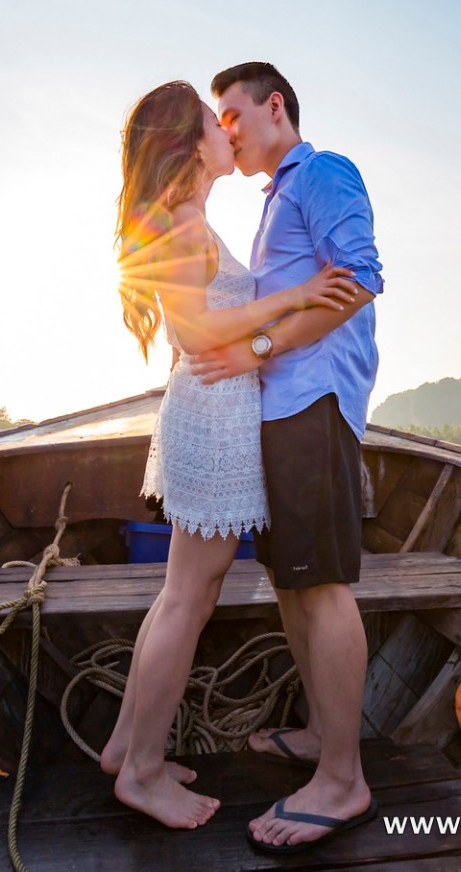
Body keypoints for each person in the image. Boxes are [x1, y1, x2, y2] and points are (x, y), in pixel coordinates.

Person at [104, 80, 360, 830]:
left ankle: (125, 746)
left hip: (212, 412)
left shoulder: (191, 218)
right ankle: (144, 772)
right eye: (215, 125)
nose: (229, 134)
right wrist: (297, 295)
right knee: (188, 597)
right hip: (213, 419)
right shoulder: (185, 223)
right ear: (191, 146)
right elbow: (195, 332)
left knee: (181, 593)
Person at [191, 61, 383, 854]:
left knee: (324, 587)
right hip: (279, 409)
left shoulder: (323, 172)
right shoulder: (274, 200)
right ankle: (317, 733)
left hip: (313, 404)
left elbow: (361, 280)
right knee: (291, 583)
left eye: (231, 115)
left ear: (276, 107)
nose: (224, 131)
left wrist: (260, 346)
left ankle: (343, 778)